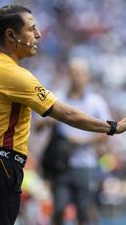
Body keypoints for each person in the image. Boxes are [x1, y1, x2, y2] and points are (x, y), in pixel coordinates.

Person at [0, 5, 126, 225]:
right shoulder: (14, 75)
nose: (38, 35)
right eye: (31, 29)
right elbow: (64, 113)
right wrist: (112, 127)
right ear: (11, 35)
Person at [39, 58, 110, 225]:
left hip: (85, 162)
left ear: (87, 77)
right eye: (72, 73)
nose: (76, 77)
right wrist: (46, 121)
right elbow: (37, 127)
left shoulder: (95, 102)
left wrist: (82, 140)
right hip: (61, 163)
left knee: (84, 211)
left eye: (80, 73)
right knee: (58, 209)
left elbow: (107, 130)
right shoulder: (57, 99)